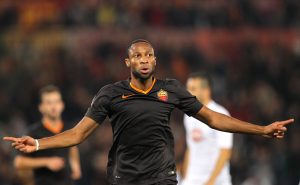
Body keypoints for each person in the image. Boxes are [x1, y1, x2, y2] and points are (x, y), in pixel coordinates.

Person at [3, 39, 293, 185]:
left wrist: (262, 129)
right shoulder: (110, 93)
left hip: (162, 176)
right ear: (127, 61)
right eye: (137, 55)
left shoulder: (172, 90)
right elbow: (78, 134)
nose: (144, 59)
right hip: (124, 176)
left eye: (148, 54)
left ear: (155, 60)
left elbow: (214, 118)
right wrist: (39, 143)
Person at [13, 85, 82, 185]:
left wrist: (76, 166)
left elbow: (73, 145)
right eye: (49, 103)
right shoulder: (32, 133)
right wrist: (46, 162)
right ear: (41, 107)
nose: (54, 106)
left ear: (62, 105)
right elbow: (18, 162)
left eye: (56, 102)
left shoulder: (69, 128)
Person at [181, 72, 233, 185]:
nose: (188, 92)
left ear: (206, 90)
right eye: (188, 88)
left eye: (193, 88)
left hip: (217, 180)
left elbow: (225, 151)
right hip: (193, 179)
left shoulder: (221, 114)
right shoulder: (188, 115)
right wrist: (186, 176)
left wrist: (211, 181)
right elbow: (191, 147)